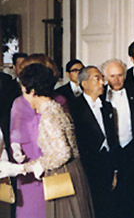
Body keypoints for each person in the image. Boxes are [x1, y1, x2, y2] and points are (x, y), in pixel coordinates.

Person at [0, 63, 94, 218]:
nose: (23, 94)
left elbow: (62, 154)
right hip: (70, 173)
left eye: (24, 89)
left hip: (62, 175)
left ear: (32, 90)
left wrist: (24, 168)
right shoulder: (54, 108)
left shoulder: (49, 115)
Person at [9, 54, 68, 218]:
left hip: (52, 163)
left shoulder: (59, 102)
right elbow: (15, 131)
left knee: (54, 210)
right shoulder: (19, 102)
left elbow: (64, 142)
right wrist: (15, 149)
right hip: (28, 162)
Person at [71, 66, 120, 218]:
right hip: (87, 166)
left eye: (102, 78)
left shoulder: (107, 107)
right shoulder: (74, 108)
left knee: (107, 208)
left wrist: (114, 170)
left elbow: (112, 140)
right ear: (84, 83)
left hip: (106, 166)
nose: (102, 83)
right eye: (97, 78)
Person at [100, 59, 134, 218]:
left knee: (131, 197)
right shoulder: (100, 95)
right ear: (104, 77)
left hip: (131, 150)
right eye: (112, 76)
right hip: (108, 152)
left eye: (120, 75)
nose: (117, 80)